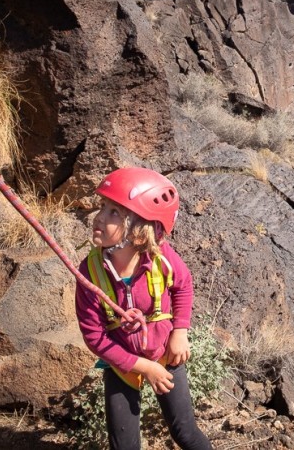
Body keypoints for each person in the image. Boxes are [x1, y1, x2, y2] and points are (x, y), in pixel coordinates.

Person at [75, 167, 212, 450]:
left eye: (114, 212)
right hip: (122, 362)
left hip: (164, 353)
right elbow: (94, 336)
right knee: (123, 446)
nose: (99, 217)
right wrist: (143, 367)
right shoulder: (90, 272)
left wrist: (180, 332)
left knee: (185, 432)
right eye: (103, 207)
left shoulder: (161, 258)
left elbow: (183, 285)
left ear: (139, 232)